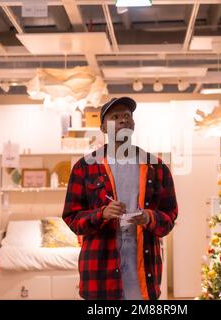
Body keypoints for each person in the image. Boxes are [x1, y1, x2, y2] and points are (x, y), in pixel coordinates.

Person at [62, 97, 178, 300]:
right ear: (103, 128)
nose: (123, 120)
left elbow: (169, 219)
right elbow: (72, 218)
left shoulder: (157, 167)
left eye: (127, 116)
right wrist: (101, 214)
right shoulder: (85, 167)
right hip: (100, 273)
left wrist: (149, 217)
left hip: (143, 271)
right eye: (115, 117)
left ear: (133, 124)